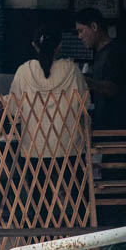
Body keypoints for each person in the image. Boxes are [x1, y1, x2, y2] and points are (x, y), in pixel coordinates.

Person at [10, 25, 88, 160]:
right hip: (69, 148)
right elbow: (85, 105)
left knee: (37, 182)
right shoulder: (72, 70)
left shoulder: (23, 71)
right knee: (69, 182)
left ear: (34, 45)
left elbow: (13, 109)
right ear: (59, 46)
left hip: (34, 148)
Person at [75, 8, 126, 130]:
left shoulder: (116, 51)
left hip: (118, 127)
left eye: (81, 31)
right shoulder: (99, 53)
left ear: (94, 26)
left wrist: (86, 81)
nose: (79, 36)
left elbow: (114, 88)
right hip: (103, 125)